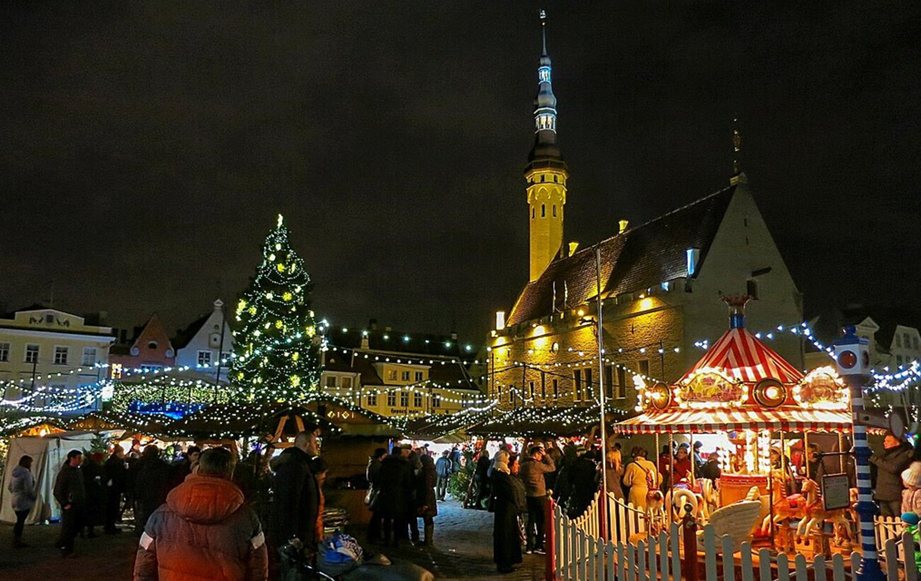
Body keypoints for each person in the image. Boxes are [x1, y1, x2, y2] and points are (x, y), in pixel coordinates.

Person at [133, 447, 268, 581]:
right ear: (231, 473)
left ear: (198, 468)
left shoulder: (162, 513)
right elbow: (258, 565)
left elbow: (145, 558)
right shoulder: (247, 517)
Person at [271, 426, 321, 558]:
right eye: (315, 443)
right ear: (305, 444)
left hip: (300, 533)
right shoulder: (295, 466)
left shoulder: (301, 464)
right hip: (296, 536)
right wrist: (293, 536)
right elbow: (289, 501)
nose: (317, 446)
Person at [491, 452, 526, 574]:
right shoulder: (501, 474)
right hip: (506, 509)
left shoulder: (501, 473)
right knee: (505, 535)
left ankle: (507, 561)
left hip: (506, 509)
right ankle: (504, 563)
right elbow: (509, 492)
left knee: (508, 535)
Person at [519, 445, 555, 554]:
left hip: (529, 495)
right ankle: (539, 545)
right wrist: (547, 456)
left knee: (531, 520)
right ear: (536, 454)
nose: (541, 457)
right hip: (539, 495)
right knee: (541, 520)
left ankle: (529, 546)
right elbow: (552, 468)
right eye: (540, 455)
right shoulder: (538, 465)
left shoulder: (524, 466)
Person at [377, 444, 413, 546]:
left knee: (387, 518)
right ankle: (396, 540)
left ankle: (387, 539)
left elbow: (380, 479)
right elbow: (408, 481)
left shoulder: (385, 464)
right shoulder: (404, 464)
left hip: (386, 493)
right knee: (398, 519)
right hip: (400, 495)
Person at [871, 431, 913, 517]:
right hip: (883, 493)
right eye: (885, 441)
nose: (884, 443)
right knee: (886, 520)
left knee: (898, 517)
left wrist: (873, 458)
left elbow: (893, 468)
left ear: (897, 442)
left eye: (888, 441)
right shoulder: (884, 455)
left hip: (895, 494)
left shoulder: (905, 454)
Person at [54, 449, 86, 557]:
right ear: (72, 458)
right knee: (69, 527)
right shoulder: (65, 473)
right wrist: (64, 503)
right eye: (78, 458)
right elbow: (58, 490)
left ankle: (63, 543)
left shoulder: (77, 471)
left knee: (77, 525)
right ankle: (66, 548)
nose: (80, 460)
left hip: (78, 503)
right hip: (70, 504)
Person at [134, 445, 172, 534]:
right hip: (158, 494)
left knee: (144, 513)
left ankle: (144, 531)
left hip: (145, 494)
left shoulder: (139, 465)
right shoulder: (163, 466)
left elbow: (135, 479)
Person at [8, 455, 37, 548]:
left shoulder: (14, 473)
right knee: (21, 520)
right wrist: (33, 497)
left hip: (15, 498)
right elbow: (28, 488)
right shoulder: (26, 474)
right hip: (23, 499)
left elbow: (9, 487)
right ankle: (17, 539)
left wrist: (15, 493)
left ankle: (16, 538)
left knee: (19, 519)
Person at [366, 447, 388, 543]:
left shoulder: (373, 463)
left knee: (377, 515)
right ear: (381, 455)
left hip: (375, 491)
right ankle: (373, 536)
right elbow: (378, 478)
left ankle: (374, 535)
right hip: (377, 492)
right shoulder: (377, 465)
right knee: (377, 515)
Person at [82, 452, 107, 538]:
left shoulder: (84, 468)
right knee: (91, 513)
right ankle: (90, 531)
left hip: (87, 493)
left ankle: (83, 531)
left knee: (87, 513)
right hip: (93, 493)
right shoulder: (95, 468)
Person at [416, 451, 438, 546]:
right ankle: (428, 540)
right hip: (430, 497)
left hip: (427, 497)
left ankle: (428, 541)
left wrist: (425, 503)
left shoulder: (426, 472)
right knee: (428, 518)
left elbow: (427, 486)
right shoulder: (432, 470)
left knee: (427, 517)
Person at [104, 446, 128, 534]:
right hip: (114, 489)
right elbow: (118, 475)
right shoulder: (115, 463)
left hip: (114, 488)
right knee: (113, 507)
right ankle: (110, 526)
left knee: (113, 507)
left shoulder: (113, 461)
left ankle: (110, 525)